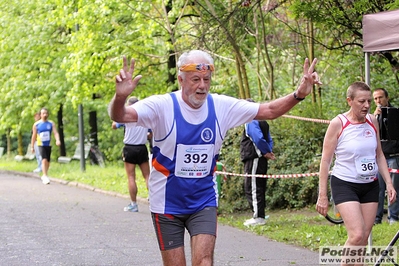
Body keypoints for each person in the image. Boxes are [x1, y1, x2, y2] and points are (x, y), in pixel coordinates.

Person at [109, 50, 321, 266]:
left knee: (204, 262)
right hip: (166, 203)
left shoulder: (221, 106)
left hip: (203, 200)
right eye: (195, 79)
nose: (202, 85)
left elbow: (269, 110)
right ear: (181, 80)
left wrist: (299, 94)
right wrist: (120, 97)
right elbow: (120, 116)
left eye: (206, 79)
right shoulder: (161, 106)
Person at [316, 82, 396, 265]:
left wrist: (389, 184)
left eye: (369, 101)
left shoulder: (372, 121)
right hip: (345, 184)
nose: (367, 105)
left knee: (363, 238)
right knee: (357, 234)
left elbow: (379, 155)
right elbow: (325, 161)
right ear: (349, 101)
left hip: (370, 185)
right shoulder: (338, 124)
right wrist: (322, 195)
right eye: (362, 101)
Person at [112, 96, 150, 212]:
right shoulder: (145, 117)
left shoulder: (126, 116)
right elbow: (151, 134)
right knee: (147, 176)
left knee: (131, 177)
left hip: (129, 148)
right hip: (142, 148)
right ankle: (154, 202)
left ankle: (134, 204)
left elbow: (114, 125)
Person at [240, 106, 275, 226]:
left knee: (253, 186)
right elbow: (269, 138)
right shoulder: (263, 121)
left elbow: (258, 138)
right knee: (259, 185)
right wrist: (269, 151)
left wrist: (265, 152)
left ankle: (258, 217)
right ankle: (260, 213)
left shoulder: (250, 121)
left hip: (254, 157)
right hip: (261, 158)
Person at [373, 88, 399, 225]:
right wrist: (375, 117)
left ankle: (393, 217)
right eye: (376, 99)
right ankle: (376, 218)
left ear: (387, 98)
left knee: (393, 188)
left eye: (380, 98)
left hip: (393, 156)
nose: (378, 101)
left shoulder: (395, 113)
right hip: (378, 157)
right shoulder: (372, 116)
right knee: (378, 188)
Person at [30, 107, 61, 185]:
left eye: (46, 113)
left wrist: (57, 140)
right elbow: (34, 136)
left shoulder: (51, 123)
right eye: (43, 113)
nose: (45, 115)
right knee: (44, 159)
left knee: (48, 161)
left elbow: (55, 133)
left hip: (48, 144)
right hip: (40, 144)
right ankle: (45, 175)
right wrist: (32, 146)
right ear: (40, 115)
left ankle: (45, 174)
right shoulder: (36, 124)